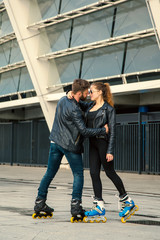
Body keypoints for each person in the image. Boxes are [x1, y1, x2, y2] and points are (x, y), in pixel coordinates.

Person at [33, 79, 108, 220]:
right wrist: (102, 131)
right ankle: (75, 207)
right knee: (78, 174)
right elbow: (84, 131)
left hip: (55, 142)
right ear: (79, 93)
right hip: (70, 146)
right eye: (87, 92)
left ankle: (39, 203)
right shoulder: (75, 109)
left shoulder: (63, 99)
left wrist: (71, 94)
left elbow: (85, 104)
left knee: (49, 173)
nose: (88, 93)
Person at [72, 82, 137, 222]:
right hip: (93, 143)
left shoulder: (108, 109)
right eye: (89, 92)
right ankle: (99, 206)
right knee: (93, 173)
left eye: (92, 91)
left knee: (109, 172)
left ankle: (128, 200)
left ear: (100, 92)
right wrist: (69, 94)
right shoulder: (90, 106)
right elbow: (79, 103)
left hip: (103, 143)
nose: (90, 94)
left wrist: (110, 151)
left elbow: (113, 132)